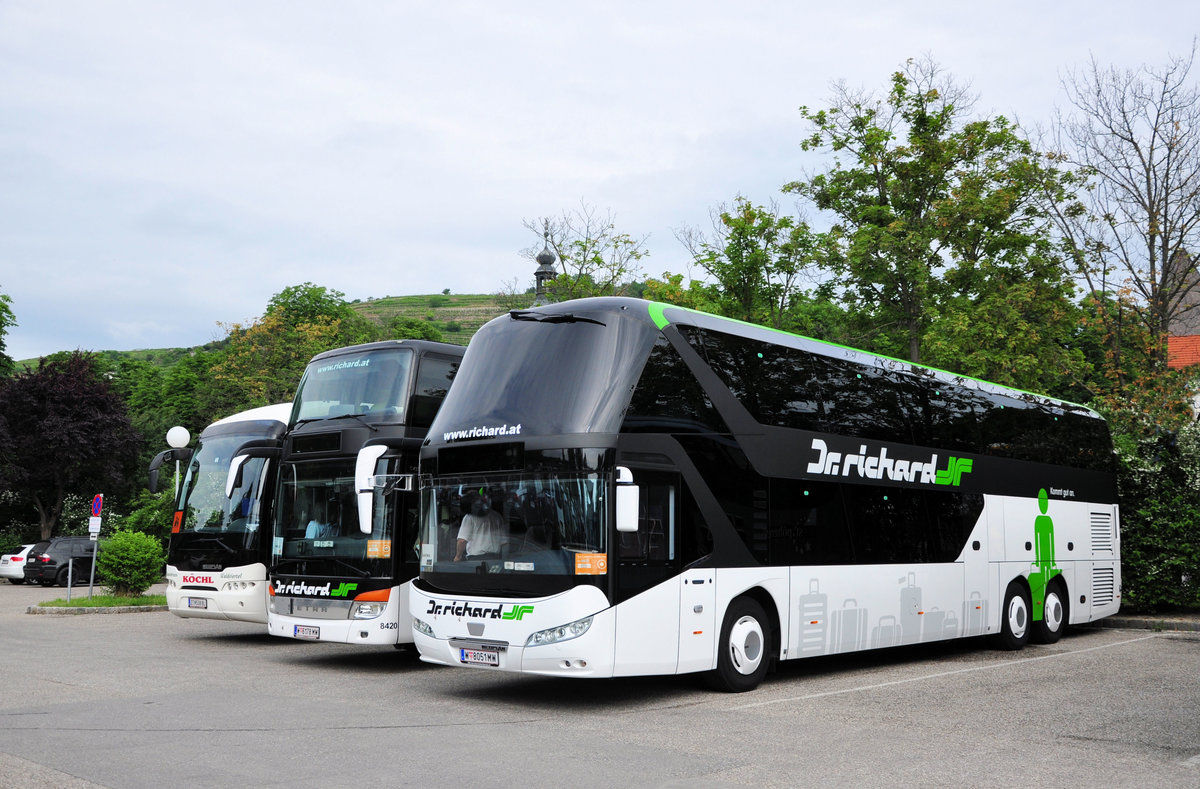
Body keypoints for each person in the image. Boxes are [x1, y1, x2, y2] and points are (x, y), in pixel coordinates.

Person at [454, 492, 507, 561]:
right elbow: (504, 543)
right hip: (496, 558)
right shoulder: (496, 516)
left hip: (476, 560)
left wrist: (458, 556)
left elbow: (462, 541)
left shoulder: (469, 517)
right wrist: (504, 560)